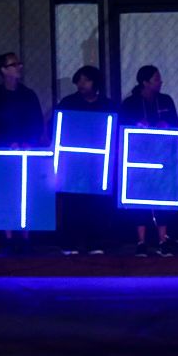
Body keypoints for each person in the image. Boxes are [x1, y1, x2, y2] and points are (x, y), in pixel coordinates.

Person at [0, 52, 44, 254]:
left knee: (27, 192)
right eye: (14, 64)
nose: (19, 67)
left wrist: (30, 143)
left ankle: (26, 235)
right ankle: (8, 237)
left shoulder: (28, 95)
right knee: (6, 192)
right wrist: (6, 144)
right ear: (3, 70)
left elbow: (37, 123)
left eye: (19, 63)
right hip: (4, 152)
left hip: (27, 151)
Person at [55, 66, 116, 256]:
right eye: (79, 80)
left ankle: (96, 242)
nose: (81, 84)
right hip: (73, 161)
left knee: (96, 202)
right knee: (72, 202)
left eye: (86, 80)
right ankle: (70, 242)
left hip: (98, 162)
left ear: (95, 82)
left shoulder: (107, 105)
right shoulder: (68, 103)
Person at [120, 65, 178, 257]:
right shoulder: (130, 103)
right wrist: (138, 126)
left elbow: (175, 124)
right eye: (156, 79)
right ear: (145, 82)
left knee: (163, 198)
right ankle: (141, 242)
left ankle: (163, 239)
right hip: (139, 157)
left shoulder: (166, 100)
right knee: (139, 197)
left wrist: (166, 125)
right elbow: (122, 127)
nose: (160, 82)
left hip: (163, 155)